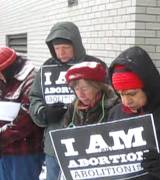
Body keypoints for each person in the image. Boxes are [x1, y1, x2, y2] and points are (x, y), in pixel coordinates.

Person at [29, 21, 106, 180]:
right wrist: (43, 112)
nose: (61, 53)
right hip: (54, 145)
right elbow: (34, 98)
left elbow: (111, 98)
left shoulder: (95, 66)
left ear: (76, 45)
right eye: (57, 48)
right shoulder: (46, 68)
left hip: (89, 143)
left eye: (66, 47)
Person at [108, 46, 160, 179]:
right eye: (120, 94)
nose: (126, 101)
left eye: (132, 94)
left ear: (148, 87)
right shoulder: (115, 113)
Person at [0, 46, 44, 180]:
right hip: (4, 150)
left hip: (23, 152)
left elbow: (26, 120)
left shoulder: (31, 80)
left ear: (8, 69)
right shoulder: (4, 79)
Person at [63, 61, 118, 127]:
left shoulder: (113, 107)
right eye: (77, 89)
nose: (81, 95)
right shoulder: (74, 108)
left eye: (84, 89)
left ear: (98, 87)